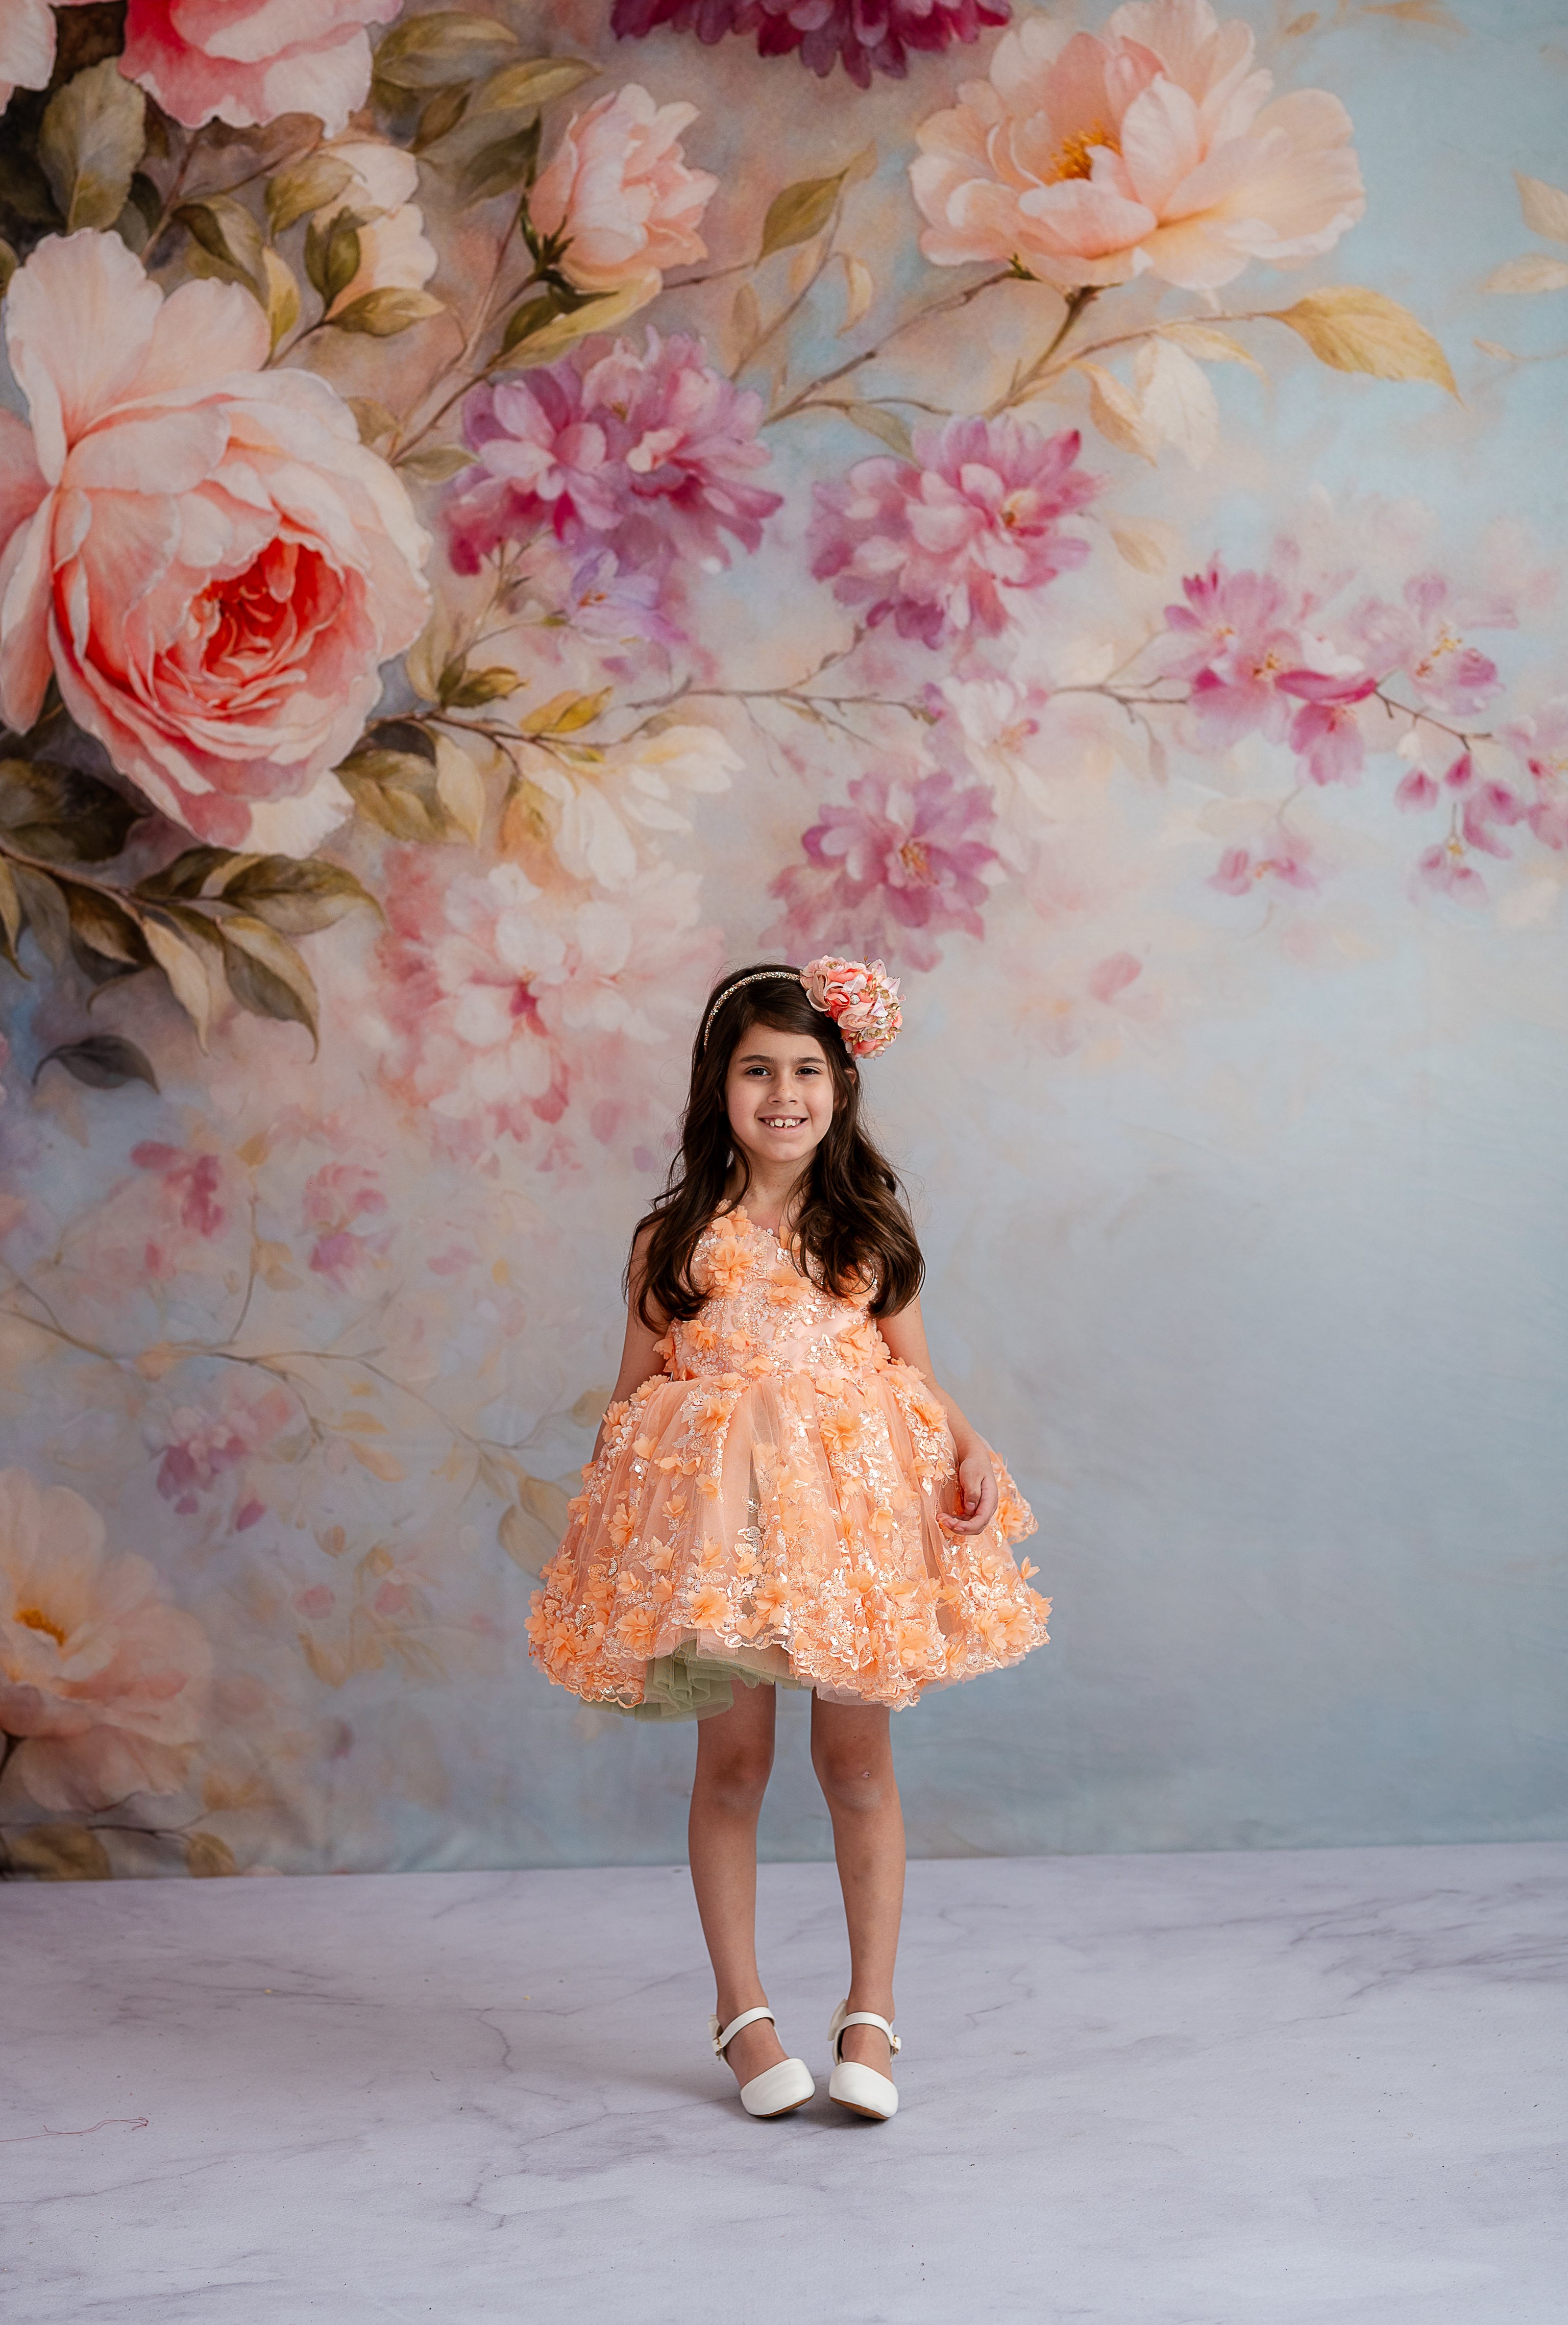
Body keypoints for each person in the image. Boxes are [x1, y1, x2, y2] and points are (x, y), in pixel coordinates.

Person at [528, 958, 1049, 2122]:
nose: (783, 1093)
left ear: (842, 1087)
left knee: (856, 1765)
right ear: (718, 1087)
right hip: (727, 1543)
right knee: (736, 1766)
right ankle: (743, 2009)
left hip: (846, 1539)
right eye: (757, 1068)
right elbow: (632, 1396)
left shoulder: (864, 1231)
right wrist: (632, 1528)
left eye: (807, 1070)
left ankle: (871, 2013)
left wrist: (970, 1446)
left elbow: (910, 1376)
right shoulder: (675, 1240)